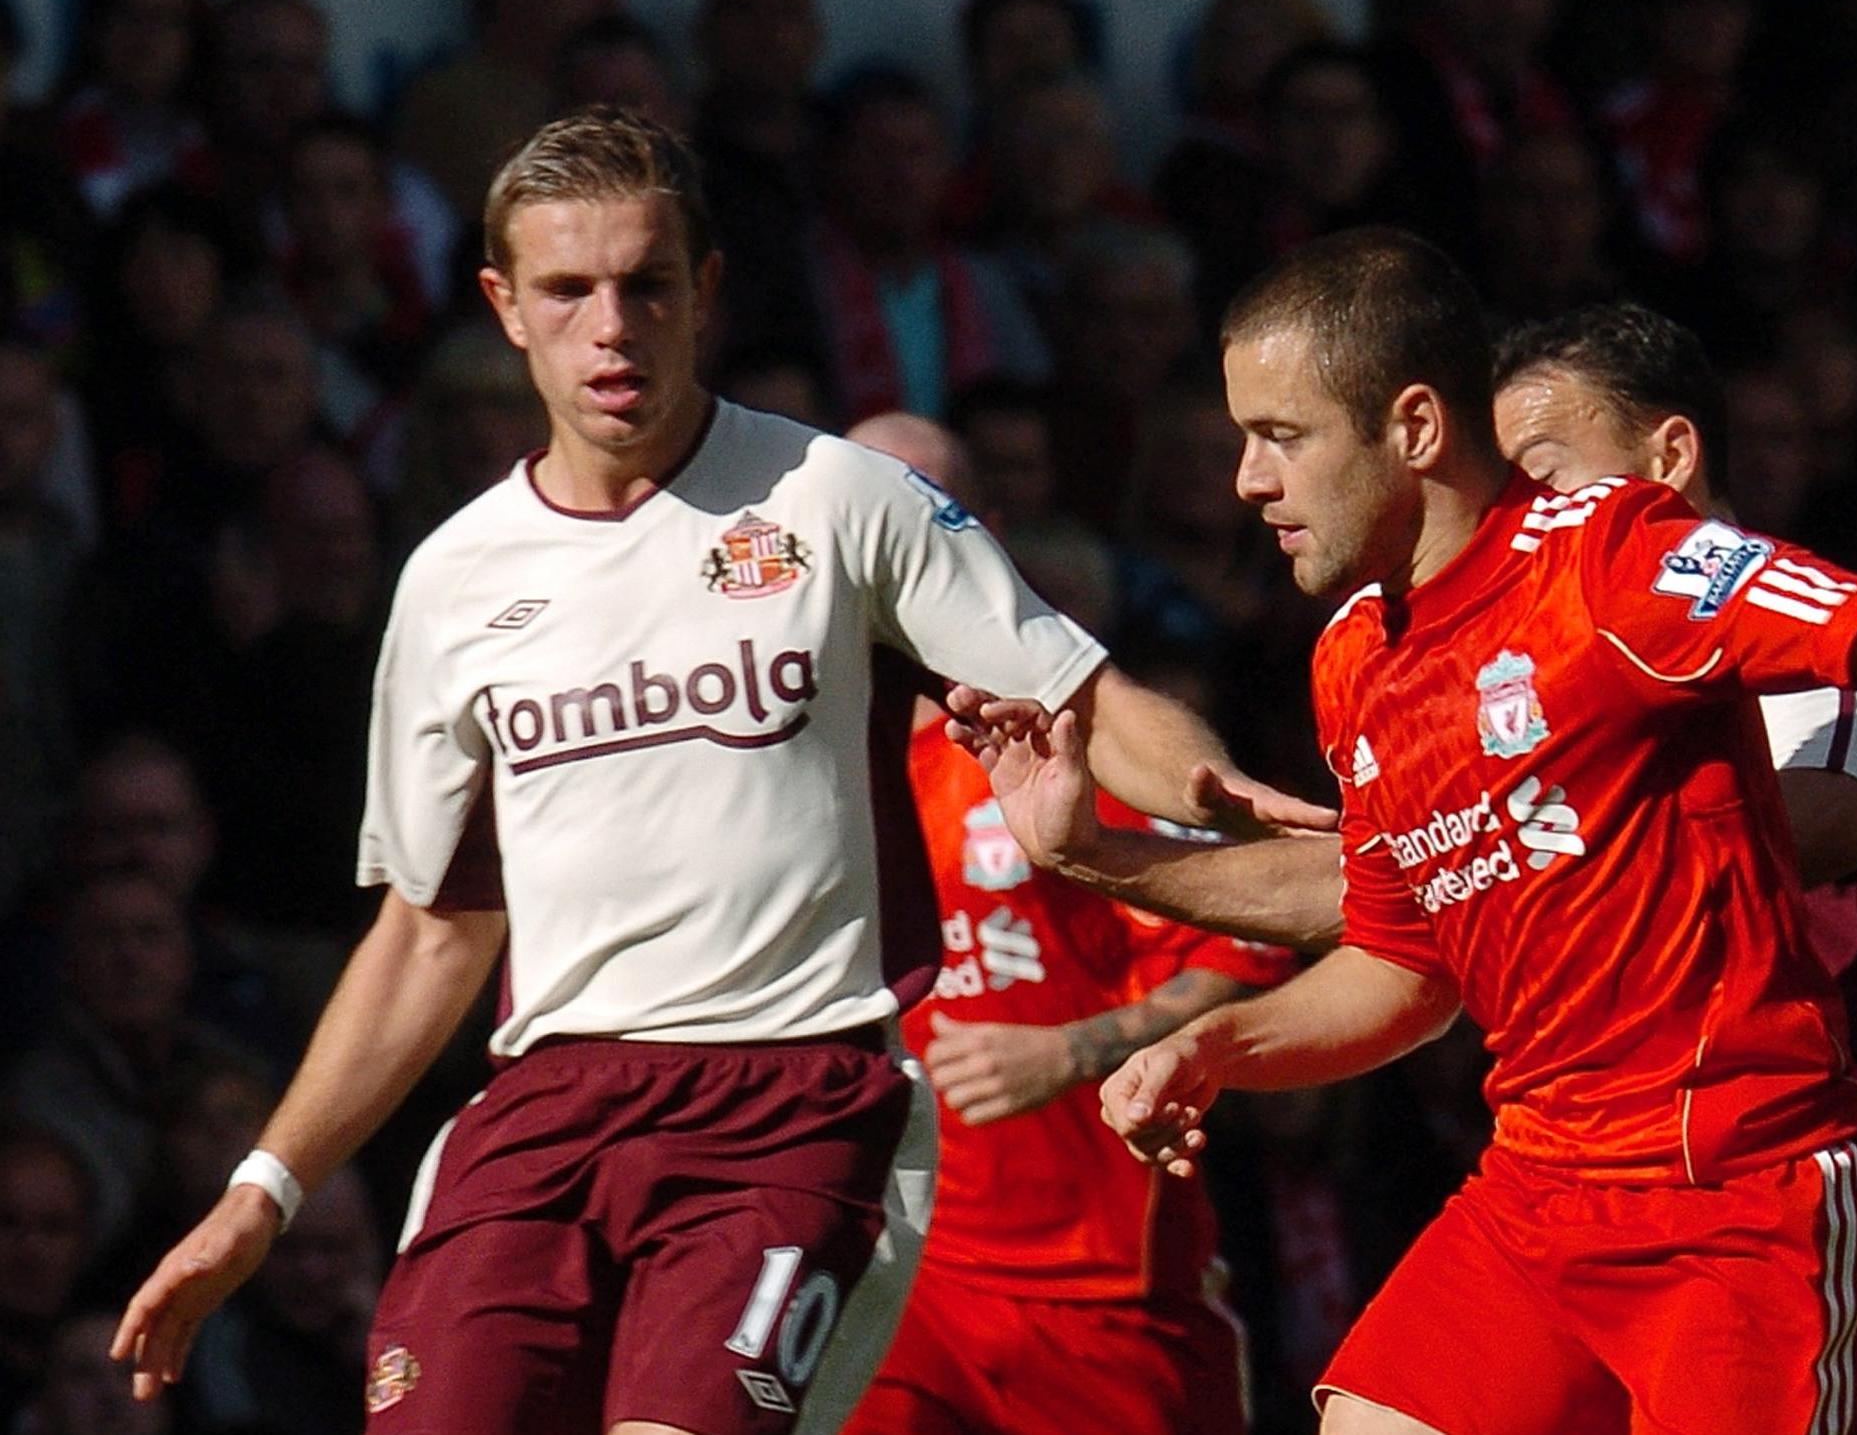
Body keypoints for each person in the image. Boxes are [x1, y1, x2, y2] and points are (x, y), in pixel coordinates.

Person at [110, 107, 1319, 1435]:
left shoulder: (838, 496)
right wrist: (258, 1195)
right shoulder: (455, 577)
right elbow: (429, 933)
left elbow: (1085, 694)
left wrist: (1207, 791)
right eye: (569, 290)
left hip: (790, 1097)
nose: (611, 326)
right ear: (505, 305)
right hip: (545, 1104)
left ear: (710, 291)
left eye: (647, 283)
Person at [957, 226, 1857, 1434]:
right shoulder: (1355, 658)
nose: (1245, 478)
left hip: (1738, 1194)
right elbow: (1405, 964)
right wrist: (1207, 1028)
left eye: (1280, 436)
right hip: (1541, 1185)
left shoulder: (1607, 558)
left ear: (1410, 429)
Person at [1491, 299, 1857, 1365]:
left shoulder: (1804, 648)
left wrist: (1547, 843)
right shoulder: (1518, 684)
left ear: (1668, 456)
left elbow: (1825, 824)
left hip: (1796, 1237)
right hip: (1599, 1197)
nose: (1520, 518)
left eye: (1544, 471)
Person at [841, 412, 1295, 1435]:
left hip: (1098, 1291)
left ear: (975, 538)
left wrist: (1072, 1049)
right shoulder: (803, 764)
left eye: (909, 513)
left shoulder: (1063, 753)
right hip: (901, 1286)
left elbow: (1245, 941)